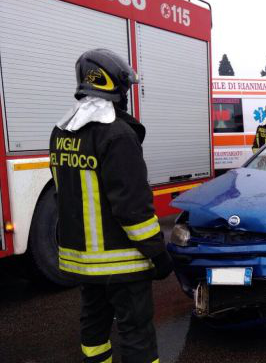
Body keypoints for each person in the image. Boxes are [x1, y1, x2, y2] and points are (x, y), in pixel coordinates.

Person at [50, 49, 172, 363]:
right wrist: (158, 253)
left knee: (93, 329)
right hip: (123, 263)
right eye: (125, 88)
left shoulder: (61, 132)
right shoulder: (117, 134)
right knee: (136, 337)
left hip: (84, 263)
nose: (127, 95)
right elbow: (133, 207)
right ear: (112, 87)